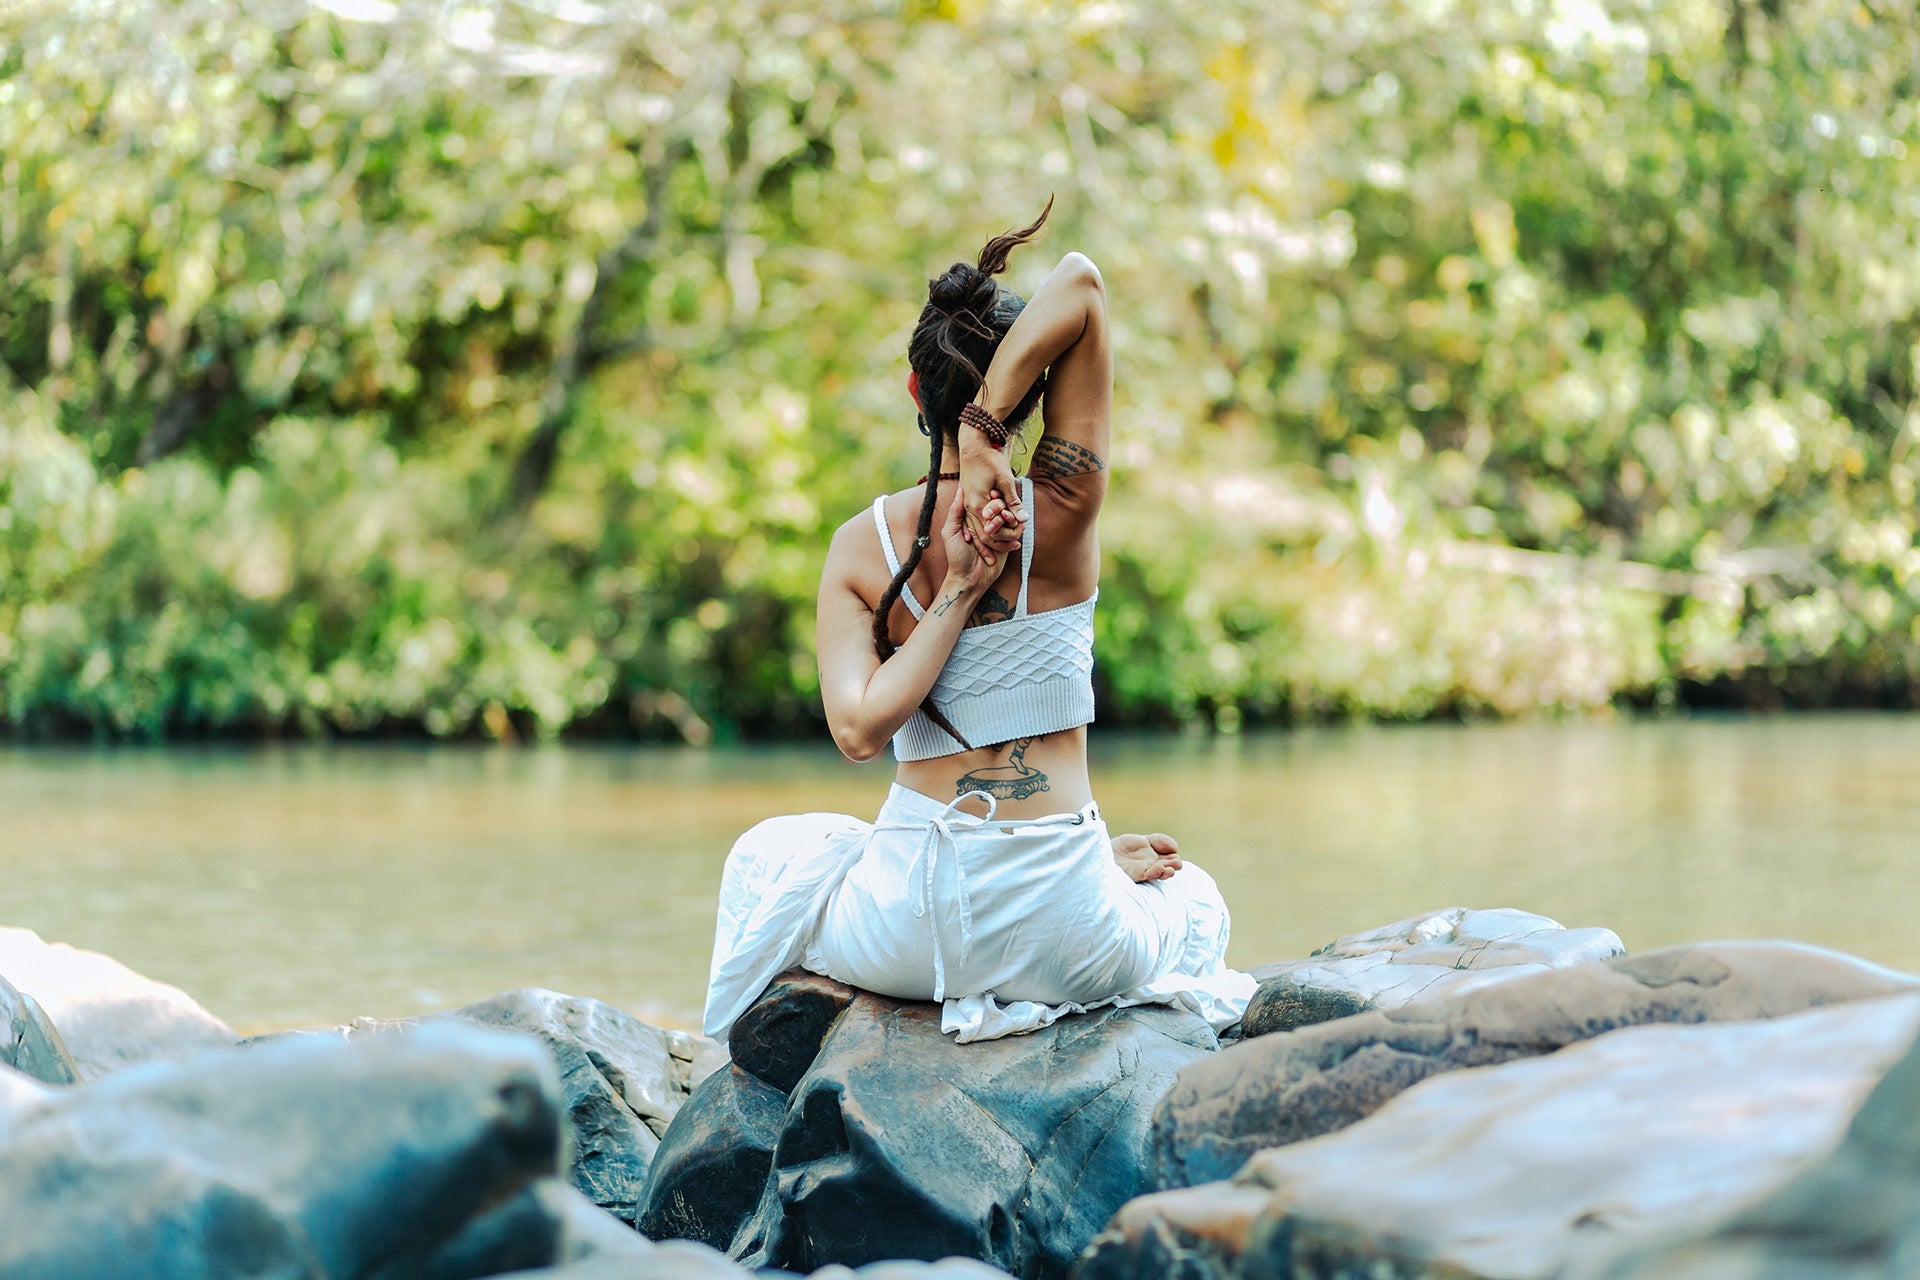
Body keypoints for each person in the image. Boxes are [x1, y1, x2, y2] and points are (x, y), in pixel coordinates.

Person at [704, 205, 1255, 1043]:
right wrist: (989, 435)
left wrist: (955, 583)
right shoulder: (1062, 511)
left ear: (914, 390)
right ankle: (1091, 868)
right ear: (1036, 390)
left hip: (909, 933)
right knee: (1194, 899)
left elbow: (856, 732)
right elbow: (1081, 283)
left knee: (775, 854)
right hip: (1068, 930)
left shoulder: (862, 548)